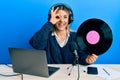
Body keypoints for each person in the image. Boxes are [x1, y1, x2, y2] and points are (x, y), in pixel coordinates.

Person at [29, 3, 98, 65]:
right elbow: (36, 44)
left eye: (65, 17)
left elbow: (81, 56)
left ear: (69, 19)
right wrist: (49, 23)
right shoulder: (46, 35)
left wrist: (86, 60)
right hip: (51, 75)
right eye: (57, 17)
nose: (61, 20)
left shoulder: (76, 36)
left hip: (71, 74)